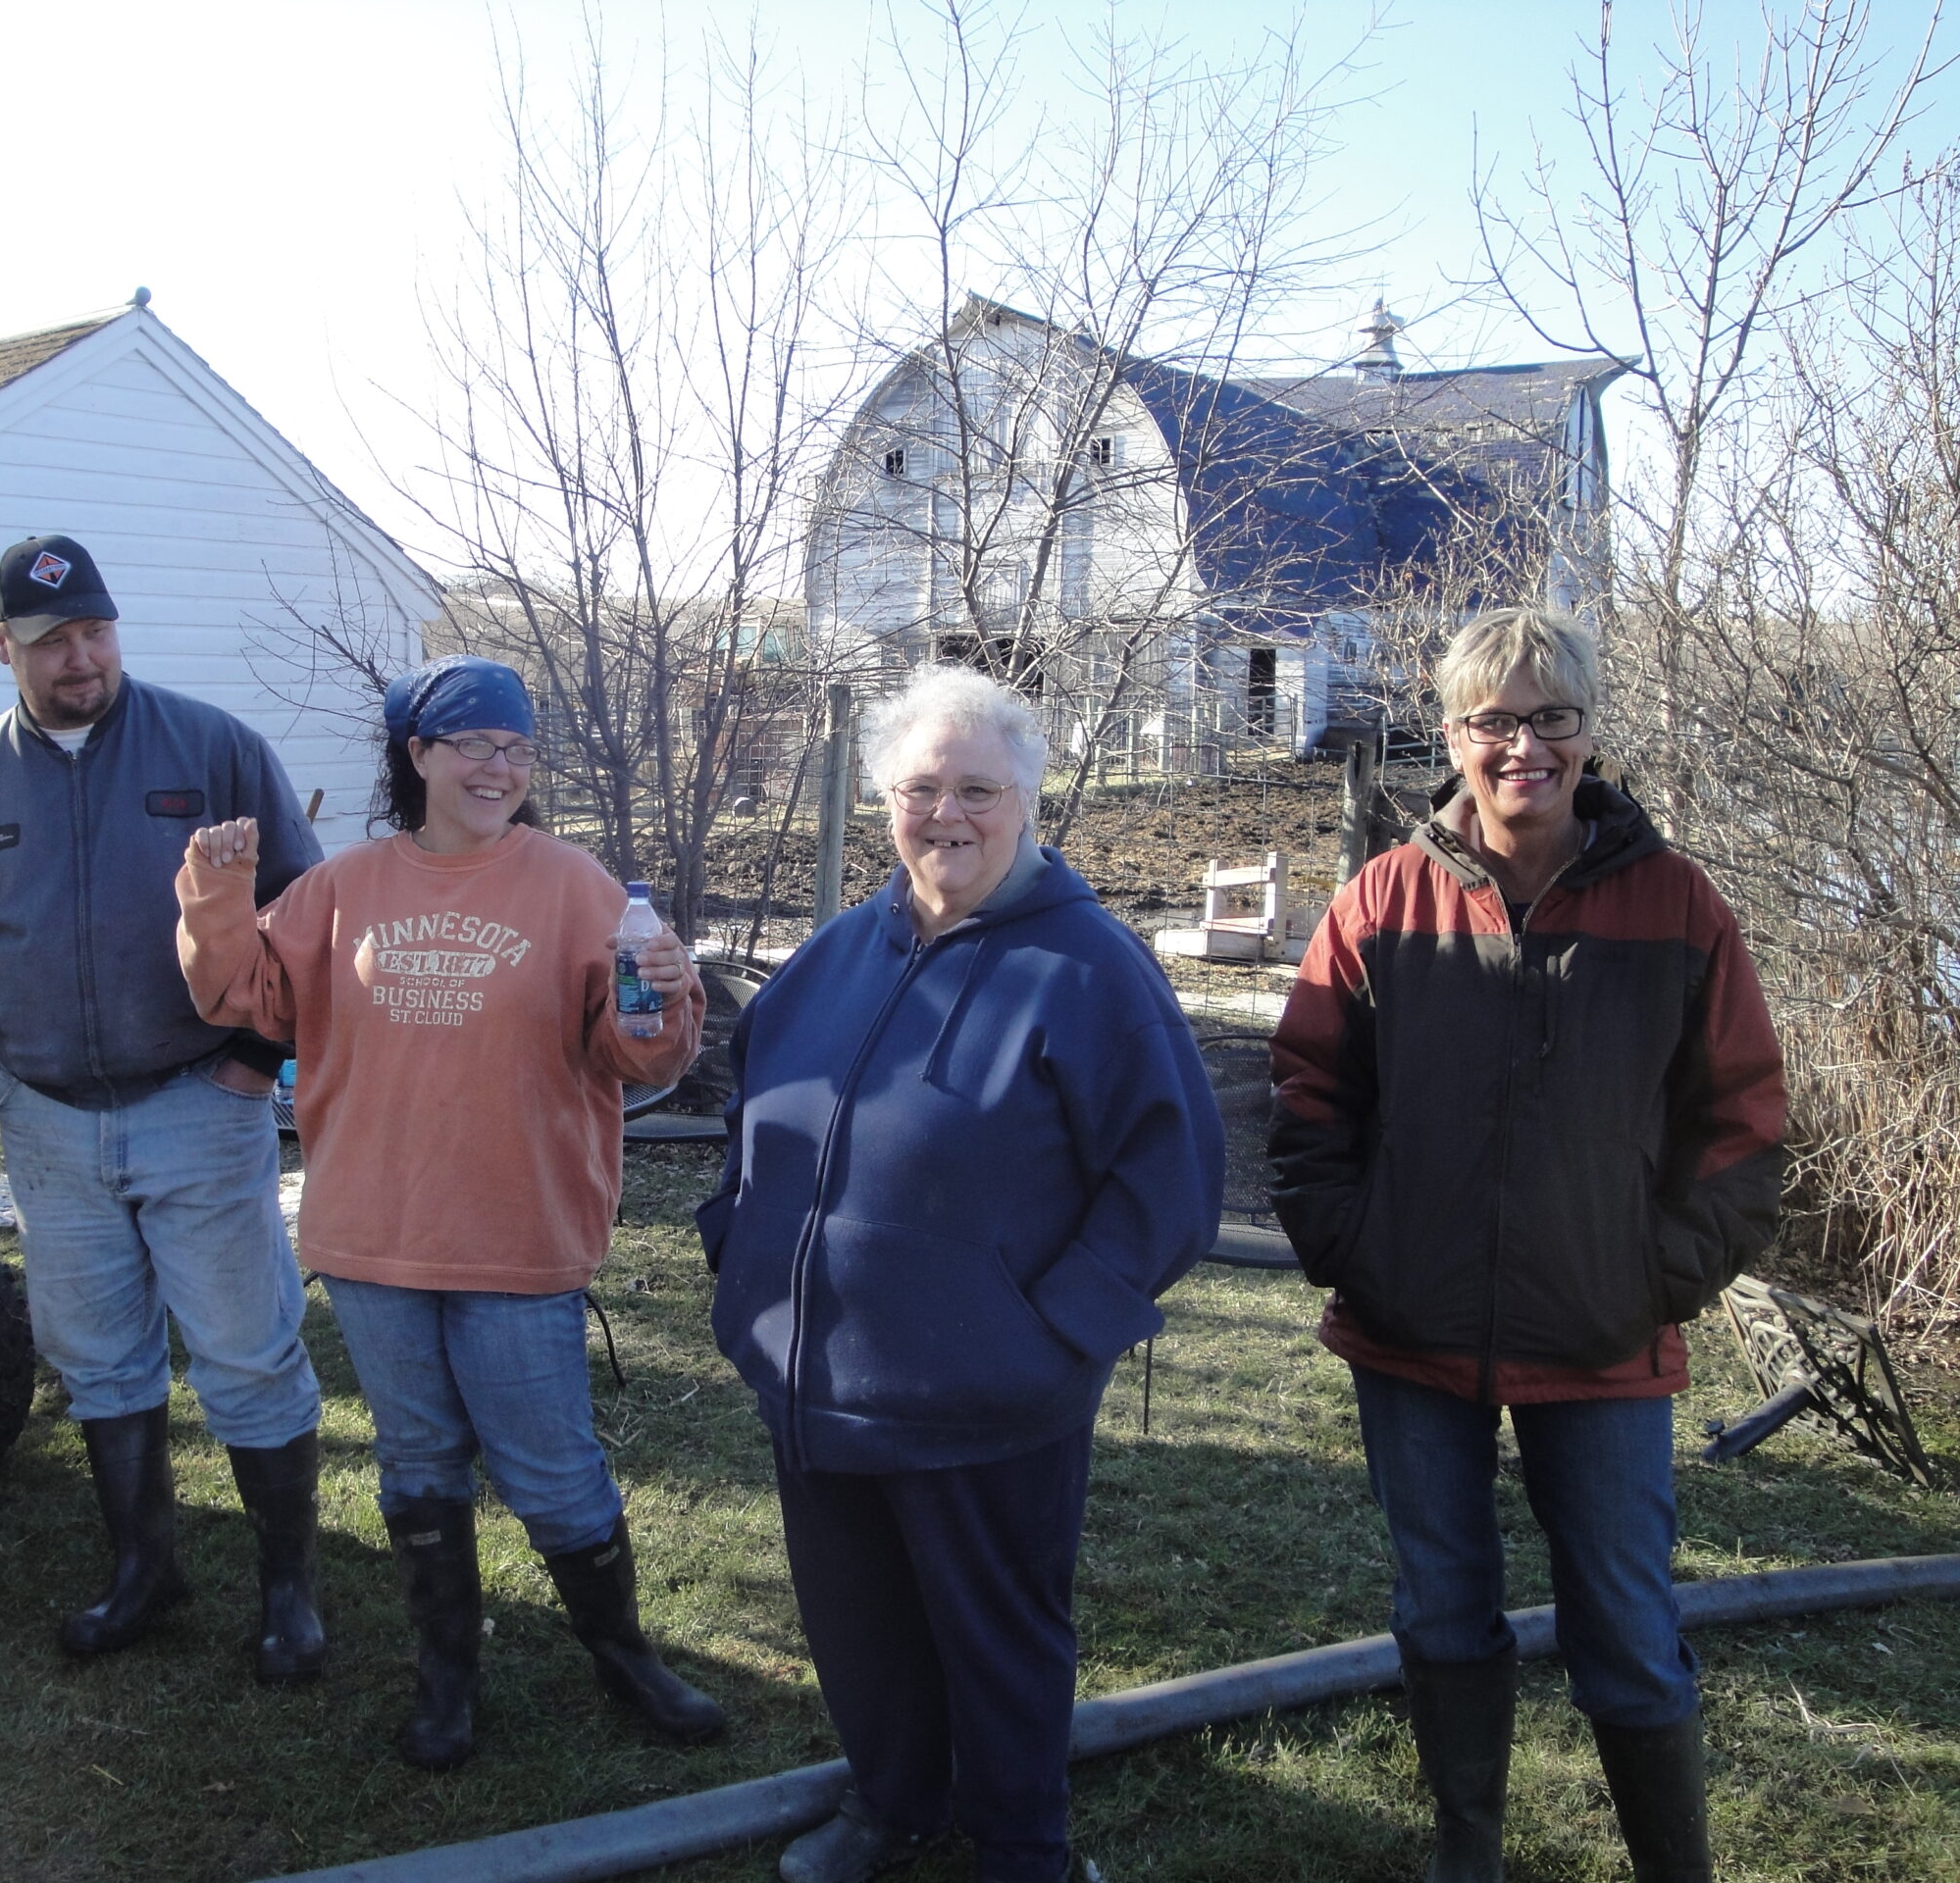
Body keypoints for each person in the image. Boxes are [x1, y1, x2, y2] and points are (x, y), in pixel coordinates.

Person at [1269, 607, 1785, 1883]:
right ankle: (1470, 1849)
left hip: (1604, 1339)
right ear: (1451, 734)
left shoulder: (1675, 904)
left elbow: (1746, 1117)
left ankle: (1677, 1867)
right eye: (1494, 720)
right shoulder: (1385, 899)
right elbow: (1307, 1095)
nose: (1524, 747)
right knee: (1443, 1605)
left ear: (1588, 731)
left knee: (1625, 1620)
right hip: (1411, 1329)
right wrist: (1355, 1247)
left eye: (1551, 718)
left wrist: (1657, 1274)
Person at [699, 664, 1223, 1883]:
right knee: (858, 1622)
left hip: (988, 1401)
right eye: (921, 787)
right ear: (886, 798)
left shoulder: (1090, 970)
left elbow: (1171, 1183)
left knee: (996, 1638)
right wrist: (738, 1254)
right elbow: (754, 1116)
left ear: (1028, 801)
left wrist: (1048, 1334)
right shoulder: (834, 955)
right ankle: (893, 1803)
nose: (948, 815)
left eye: (978, 789)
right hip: (812, 1382)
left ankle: (1018, 1846)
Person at [174, 653, 727, 1770]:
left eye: (516, 746)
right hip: (377, 1232)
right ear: (417, 754)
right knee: (416, 1461)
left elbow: (636, 1057)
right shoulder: (342, 888)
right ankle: (447, 1678)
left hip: (515, 1227)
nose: (497, 765)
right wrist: (216, 896)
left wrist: (665, 996)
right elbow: (243, 998)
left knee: (552, 1469)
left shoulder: (576, 888)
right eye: (472, 742)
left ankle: (627, 1662)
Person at [0, 534, 332, 1686]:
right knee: (101, 1363)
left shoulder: (210, 748)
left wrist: (256, 1059)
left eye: (96, 633)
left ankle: (289, 1596)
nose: (81, 660)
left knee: (246, 1355)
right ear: (2, 647)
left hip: (195, 1102)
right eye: (53, 642)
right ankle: (144, 1572)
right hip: (49, 1122)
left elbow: (310, 916)